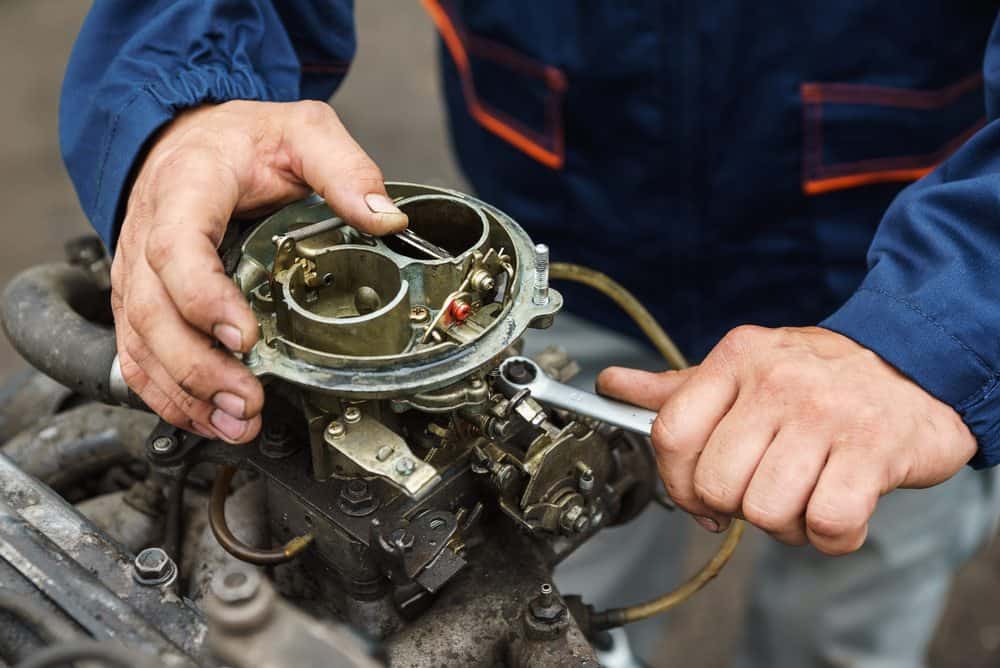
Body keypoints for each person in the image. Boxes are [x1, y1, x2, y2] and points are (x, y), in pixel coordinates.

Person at [59, 2, 1000, 665]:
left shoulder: (917, 337)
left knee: (850, 593)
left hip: (883, 317)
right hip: (570, 238)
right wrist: (184, 101)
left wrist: (943, 328)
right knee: (570, 564)